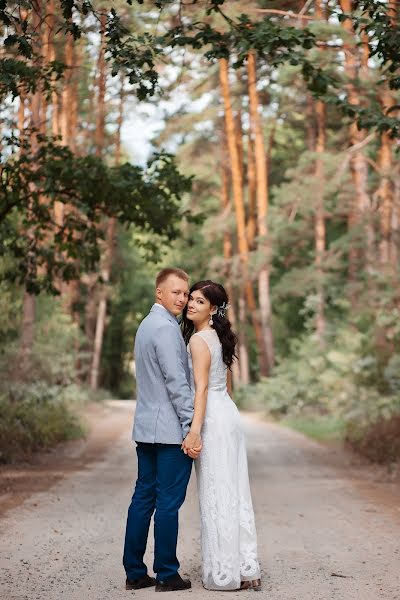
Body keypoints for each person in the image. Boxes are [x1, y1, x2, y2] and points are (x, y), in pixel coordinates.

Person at [123, 267, 201, 592]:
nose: (182, 298)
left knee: (143, 498)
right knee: (167, 502)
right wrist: (190, 428)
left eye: (185, 293)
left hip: (146, 430)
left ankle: (135, 572)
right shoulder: (167, 329)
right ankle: (167, 573)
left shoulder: (146, 325)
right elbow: (177, 384)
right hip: (170, 433)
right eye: (176, 292)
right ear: (159, 292)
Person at [182, 280, 261, 591]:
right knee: (235, 490)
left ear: (213, 309)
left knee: (217, 492)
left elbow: (201, 389)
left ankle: (224, 572)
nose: (190, 304)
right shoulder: (220, 337)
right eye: (191, 299)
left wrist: (194, 430)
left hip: (213, 418)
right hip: (228, 412)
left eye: (199, 302)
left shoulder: (199, 342)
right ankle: (245, 567)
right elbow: (225, 387)